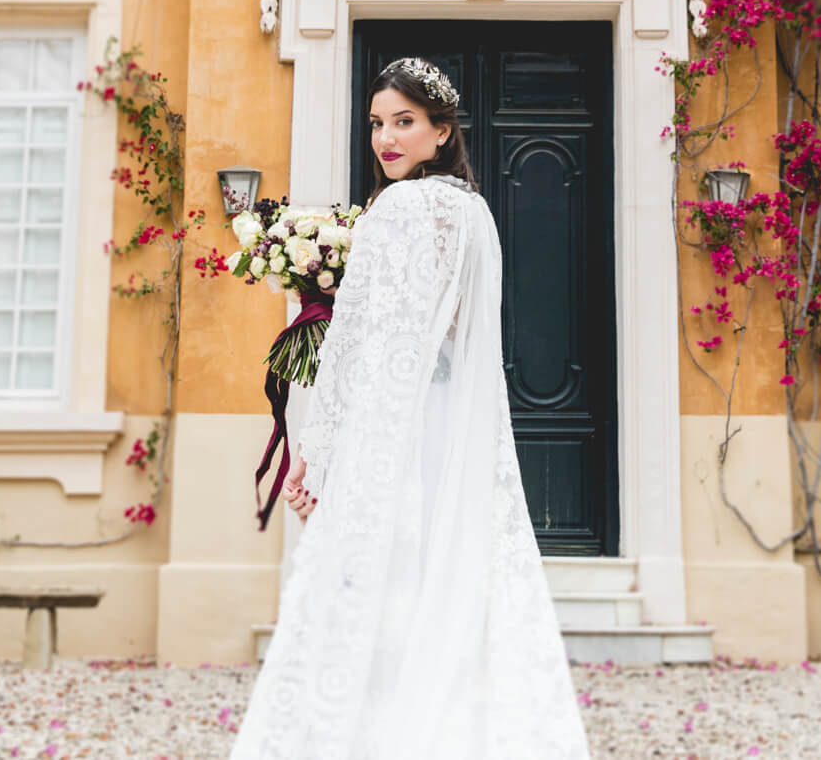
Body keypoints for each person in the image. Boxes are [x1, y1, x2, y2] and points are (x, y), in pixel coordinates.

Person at [228, 56, 591, 760]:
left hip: (393, 427)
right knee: (449, 582)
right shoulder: (476, 214)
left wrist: (318, 452)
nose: (385, 138)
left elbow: (366, 347)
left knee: (381, 585)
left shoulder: (396, 209)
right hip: (456, 426)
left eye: (404, 122)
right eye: (376, 123)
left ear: (441, 129)